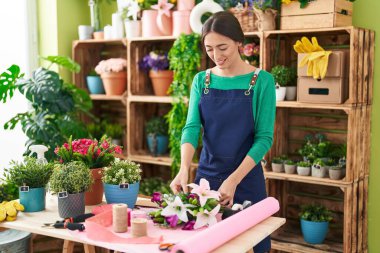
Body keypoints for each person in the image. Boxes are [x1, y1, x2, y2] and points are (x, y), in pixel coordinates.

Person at [170, 11, 276, 253]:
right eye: (209, 49)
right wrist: (184, 169)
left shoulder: (262, 81)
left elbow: (264, 139)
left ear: (239, 42)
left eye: (223, 47)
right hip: (206, 179)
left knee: (256, 244)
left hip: (246, 179)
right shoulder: (201, 80)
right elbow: (191, 127)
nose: (216, 56)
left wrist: (234, 180)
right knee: (206, 245)